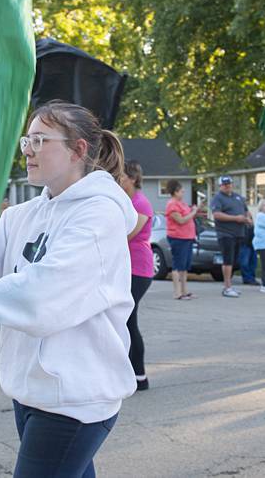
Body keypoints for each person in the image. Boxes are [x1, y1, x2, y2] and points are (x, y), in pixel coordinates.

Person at [0, 102, 138, 477]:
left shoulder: (99, 215)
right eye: (27, 141)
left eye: (40, 140)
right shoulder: (19, 216)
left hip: (76, 399)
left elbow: (40, 297)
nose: (28, 150)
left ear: (78, 150)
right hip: (30, 391)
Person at [120, 160, 154, 391]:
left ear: (133, 178)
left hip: (138, 268)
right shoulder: (129, 201)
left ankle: (139, 376)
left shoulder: (141, 203)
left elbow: (128, 234)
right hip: (127, 267)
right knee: (125, 321)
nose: (119, 180)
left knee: (128, 321)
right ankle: (131, 375)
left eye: (122, 176)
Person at [211, 175, 252, 298]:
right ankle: (227, 287)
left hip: (239, 233)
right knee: (228, 260)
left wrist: (248, 218)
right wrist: (235, 218)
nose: (227, 186)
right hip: (225, 233)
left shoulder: (238, 197)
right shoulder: (218, 198)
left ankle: (230, 285)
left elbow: (245, 210)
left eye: (229, 184)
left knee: (234, 261)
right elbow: (216, 215)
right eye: (225, 184)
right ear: (220, 186)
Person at [165, 180, 199, 300]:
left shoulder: (182, 203)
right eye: (181, 190)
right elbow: (181, 220)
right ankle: (177, 292)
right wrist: (194, 212)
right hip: (178, 238)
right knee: (177, 265)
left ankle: (185, 291)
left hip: (187, 238)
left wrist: (194, 209)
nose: (183, 192)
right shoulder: (172, 204)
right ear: (175, 192)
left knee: (185, 266)